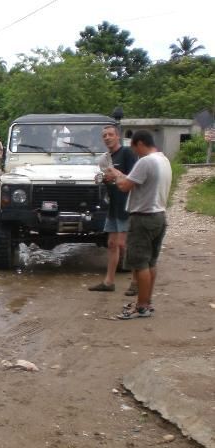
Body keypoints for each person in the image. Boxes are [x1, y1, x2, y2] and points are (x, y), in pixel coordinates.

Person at [104, 130, 172, 319]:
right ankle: (146, 302)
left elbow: (124, 186)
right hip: (159, 216)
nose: (135, 153)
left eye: (135, 149)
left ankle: (141, 307)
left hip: (143, 218)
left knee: (140, 264)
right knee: (150, 262)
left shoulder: (146, 161)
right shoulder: (163, 160)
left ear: (140, 143)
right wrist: (123, 176)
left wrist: (116, 175)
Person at [88, 124, 137, 293]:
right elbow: (111, 179)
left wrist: (115, 175)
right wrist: (104, 179)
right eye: (104, 136)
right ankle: (109, 282)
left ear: (118, 136)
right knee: (111, 244)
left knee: (124, 245)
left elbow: (134, 179)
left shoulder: (127, 153)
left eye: (110, 134)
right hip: (114, 206)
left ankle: (136, 282)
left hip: (127, 205)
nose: (107, 138)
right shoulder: (106, 157)